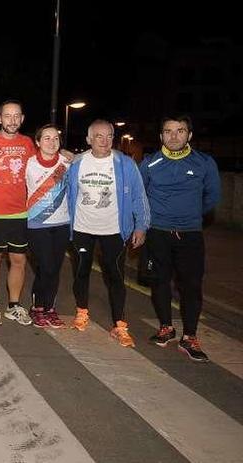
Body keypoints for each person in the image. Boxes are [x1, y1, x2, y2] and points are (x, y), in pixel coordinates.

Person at [140, 116, 220, 362]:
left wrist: (189, 216)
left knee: (191, 286)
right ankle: (166, 327)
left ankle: (190, 336)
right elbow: (140, 196)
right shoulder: (149, 163)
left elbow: (212, 198)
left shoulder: (204, 163)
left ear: (189, 135)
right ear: (161, 136)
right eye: (168, 131)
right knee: (160, 282)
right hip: (158, 233)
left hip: (190, 235)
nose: (174, 136)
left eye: (180, 131)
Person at [67, 119, 149, 347]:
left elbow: (138, 197)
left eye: (109, 136)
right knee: (81, 272)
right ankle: (82, 312)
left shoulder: (125, 164)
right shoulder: (77, 163)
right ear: (88, 139)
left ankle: (120, 325)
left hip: (114, 230)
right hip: (82, 228)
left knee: (115, 277)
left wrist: (141, 225)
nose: (104, 141)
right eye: (98, 136)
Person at [0, 100, 36, 326]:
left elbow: (45, 163)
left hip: (20, 214)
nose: (12, 120)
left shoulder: (28, 143)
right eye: (7, 116)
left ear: (22, 119)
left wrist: (71, 156)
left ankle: (14, 305)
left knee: (19, 260)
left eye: (16, 116)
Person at [25, 124, 70, 329]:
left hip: (62, 223)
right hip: (36, 224)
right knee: (45, 267)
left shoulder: (67, 162)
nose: (52, 143)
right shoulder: (29, 164)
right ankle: (37, 308)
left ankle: (50, 308)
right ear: (37, 142)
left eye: (56, 139)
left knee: (55, 269)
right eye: (47, 138)